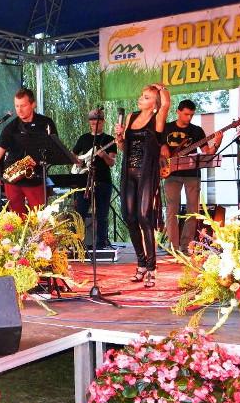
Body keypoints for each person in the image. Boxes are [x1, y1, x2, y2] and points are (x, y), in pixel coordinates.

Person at [115, 83, 170, 287]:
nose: (141, 98)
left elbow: (166, 104)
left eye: (146, 97)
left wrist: (161, 89)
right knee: (129, 217)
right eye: (141, 95)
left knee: (144, 217)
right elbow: (123, 147)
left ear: (155, 104)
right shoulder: (131, 117)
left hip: (146, 173)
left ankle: (152, 267)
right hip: (128, 173)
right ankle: (141, 263)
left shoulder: (157, 119)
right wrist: (119, 137)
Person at [0, 88, 57, 215]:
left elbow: (54, 148)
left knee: (40, 219)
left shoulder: (45, 123)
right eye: (17, 106)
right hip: (12, 178)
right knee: (15, 220)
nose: (19, 110)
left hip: (35, 178)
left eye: (23, 105)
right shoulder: (10, 128)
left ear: (33, 104)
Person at [161, 100, 222, 254]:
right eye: (186, 114)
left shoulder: (197, 131)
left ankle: (186, 246)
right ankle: (173, 247)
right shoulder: (166, 128)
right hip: (171, 174)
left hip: (192, 174)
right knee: (171, 210)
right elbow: (157, 148)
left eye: (192, 115)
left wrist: (217, 143)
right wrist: (163, 152)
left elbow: (207, 153)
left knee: (192, 211)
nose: (189, 118)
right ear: (178, 111)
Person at [72, 108, 117, 249]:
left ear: (103, 122)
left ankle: (101, 244)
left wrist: (104, 155)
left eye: (97, 122)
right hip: (84, 181)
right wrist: (79, 161)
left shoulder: (109, 140)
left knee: (102, 214)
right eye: (91, 122)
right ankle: (78, 244)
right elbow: (73, 155)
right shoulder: (83, 138)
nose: (94, 125)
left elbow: (112, 162)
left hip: (103, 181)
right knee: (80, 213)